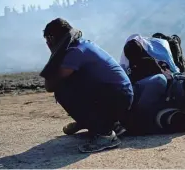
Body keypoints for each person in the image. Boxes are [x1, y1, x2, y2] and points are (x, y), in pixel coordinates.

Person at [40, 18, 134, 153]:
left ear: (52, 38)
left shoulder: (74, 51)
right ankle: (105, 124)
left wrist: (54, 56)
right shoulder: (81, 45)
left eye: (48, 41)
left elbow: (51, 84)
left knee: (63, 88)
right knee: (73, 82)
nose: (47, 44)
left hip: (118, 96)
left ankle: (105, 134)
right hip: (120, 96)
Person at [120, 34, 185, 135]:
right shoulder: (160, 77)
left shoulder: (161, 74)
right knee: (160, 83)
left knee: (161, 86)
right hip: (151, 102)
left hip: (156, 100)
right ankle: (169, 117)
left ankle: (169, 117)